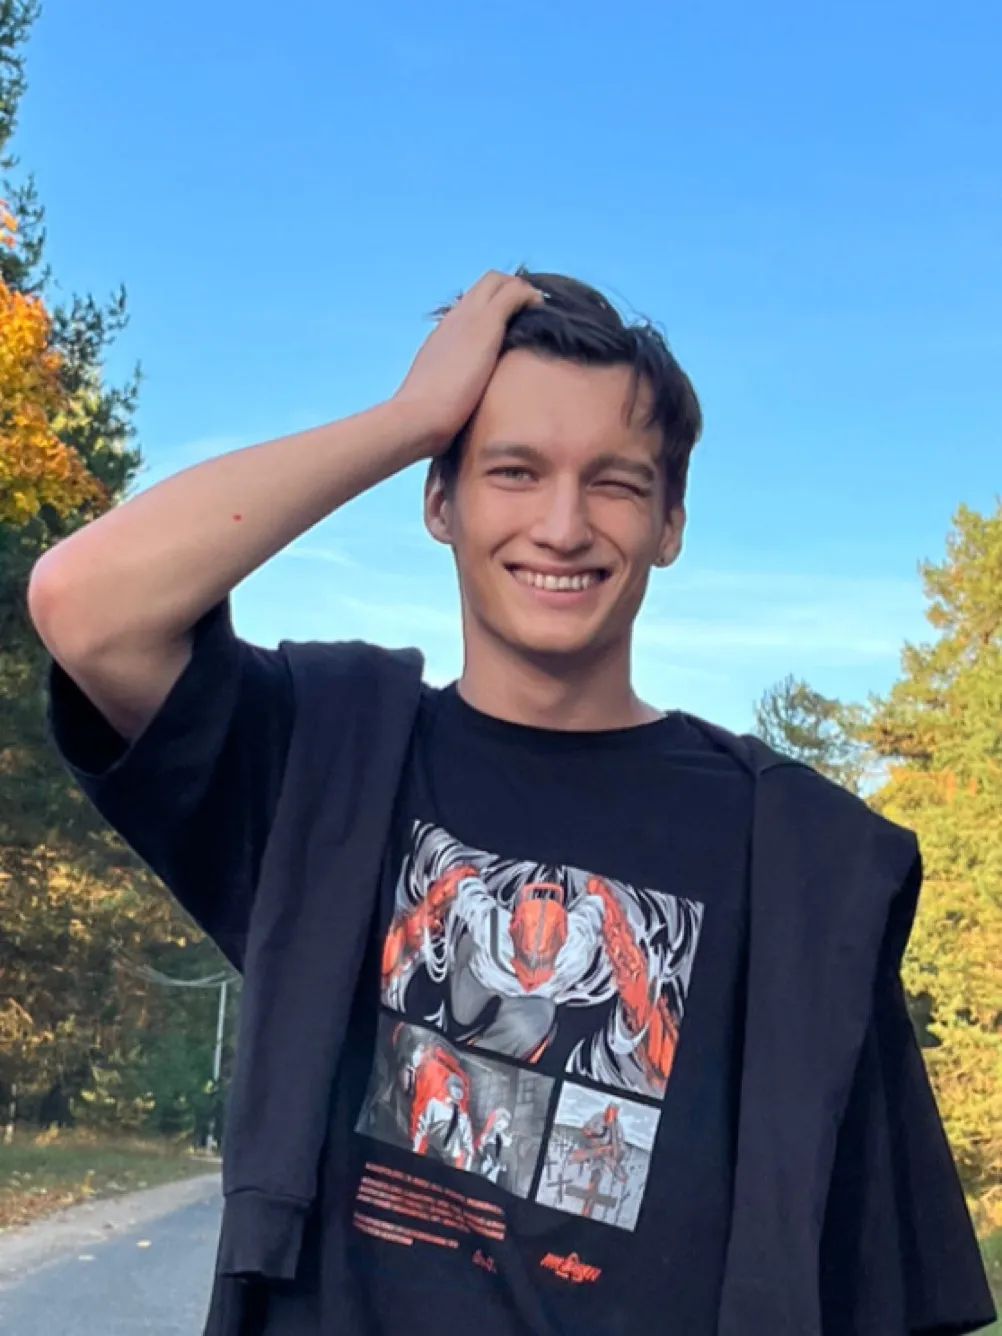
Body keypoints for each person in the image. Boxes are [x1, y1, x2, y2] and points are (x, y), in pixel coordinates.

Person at [28, 269, 995, 1335]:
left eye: (615, 482)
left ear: (670, 522)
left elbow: (884, 1294)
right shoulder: (325, 767)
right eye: (514, 470)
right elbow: (85, 604)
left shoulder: (797, 859)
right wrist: (410, 419)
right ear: (440, 501)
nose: (563, 525)